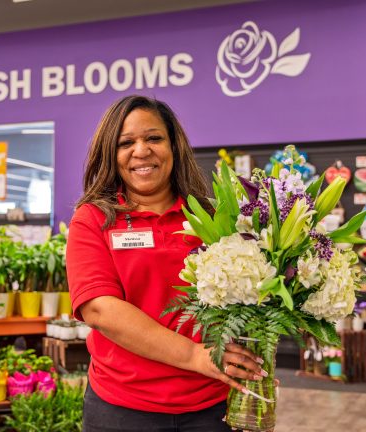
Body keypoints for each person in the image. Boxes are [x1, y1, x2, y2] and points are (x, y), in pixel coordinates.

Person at [66, 95, 267, 431]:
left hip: (212, 406)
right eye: (126, 142)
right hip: (124, 409)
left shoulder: (212, 216)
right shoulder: (94, 219)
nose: (141, 150)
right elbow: (100, 309)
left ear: (174, 146)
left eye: (154, 138)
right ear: (110, 154)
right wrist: (194, 357)